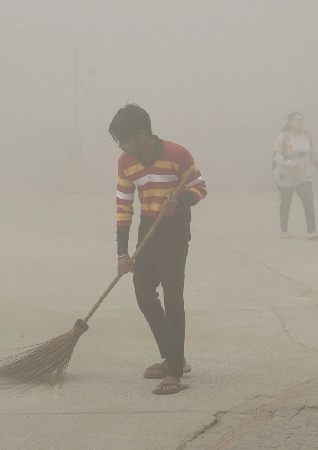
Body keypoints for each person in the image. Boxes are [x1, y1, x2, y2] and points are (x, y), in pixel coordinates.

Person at [109, 104, 207, 395]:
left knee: (173, 298)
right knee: (143, 293)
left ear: (141, 134)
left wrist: (181, 200)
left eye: (124, 140)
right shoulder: (125, 162)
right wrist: (122, 252)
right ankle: (173, 356)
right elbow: (123, 205)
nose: (122, 146)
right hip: (148, 230)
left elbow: (200, 186)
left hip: (175, 231)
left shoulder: (178, 154)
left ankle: (174, 373)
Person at [272, 111, 318, 240]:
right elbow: (276, 155)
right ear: (290, 122)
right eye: (296, 120)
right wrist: (290, 163)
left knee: (308, 201)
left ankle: (311, 231)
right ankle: (284, 230)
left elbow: (313, 153)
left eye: (301, 119)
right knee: (286, 203)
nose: (299, 122)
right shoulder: (283, 137)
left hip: (303, 176)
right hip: (284, 176)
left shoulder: (307, 136)